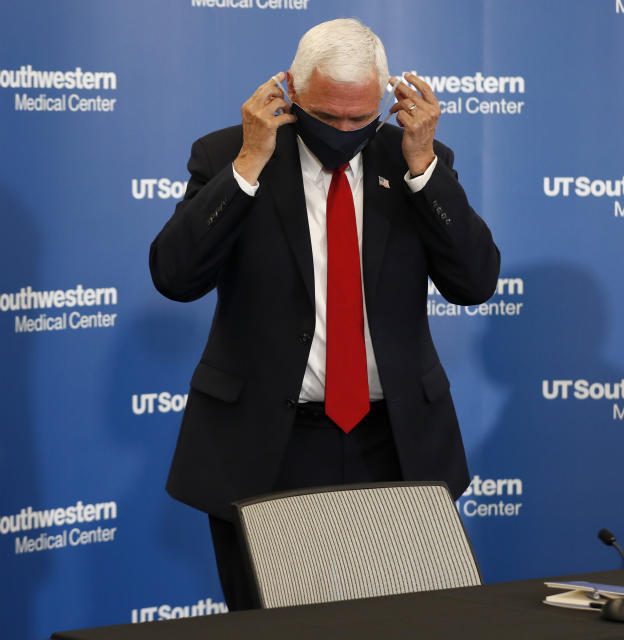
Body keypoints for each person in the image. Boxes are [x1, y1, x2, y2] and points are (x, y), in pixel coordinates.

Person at [149, 18, 500, 608]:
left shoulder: (414, 157)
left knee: (410, 622)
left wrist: (424, 171)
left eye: (360, 119)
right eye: (326, 115)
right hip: (268, 446)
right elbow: (175, 278)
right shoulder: (229, 154)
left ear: (388, 100)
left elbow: (474, 282)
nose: (343, 130)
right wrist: (248, 165)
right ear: (291, 91)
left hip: (394, 445)